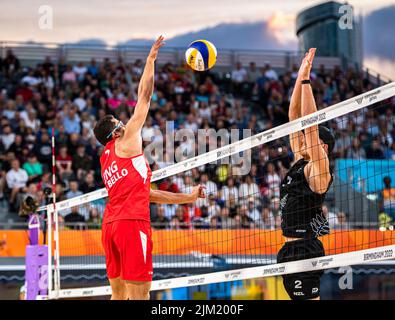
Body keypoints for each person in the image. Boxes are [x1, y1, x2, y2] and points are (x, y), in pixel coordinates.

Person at [93, 37, 205, 300]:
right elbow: (144, 96)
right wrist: (151, 60)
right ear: (116, 131)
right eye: (118, 120)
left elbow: (143, 193)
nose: (124, 121)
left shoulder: (105, 159)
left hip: (110, 225)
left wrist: (187, 198)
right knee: (140, 297)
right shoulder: (127, 138)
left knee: (118, 296)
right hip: (132, 225)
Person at [277, 48, 335, 300]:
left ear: (321, 146)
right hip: (288, 249)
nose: (300, 138)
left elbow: (309, 125)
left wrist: (306, 80)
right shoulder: (301, 160)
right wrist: (299, 75)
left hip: (305, 251)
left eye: (307, 138)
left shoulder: (318, 167)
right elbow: (293, 117)